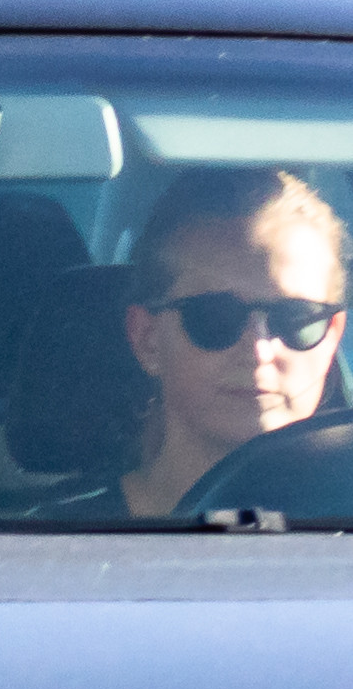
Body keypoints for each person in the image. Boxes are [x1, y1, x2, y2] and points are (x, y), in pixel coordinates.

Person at [107, 163, 347, 520]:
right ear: (148, 339)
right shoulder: (40, 549)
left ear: (332, 335)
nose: (258, 350)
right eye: (215, 317)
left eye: (296, 318)